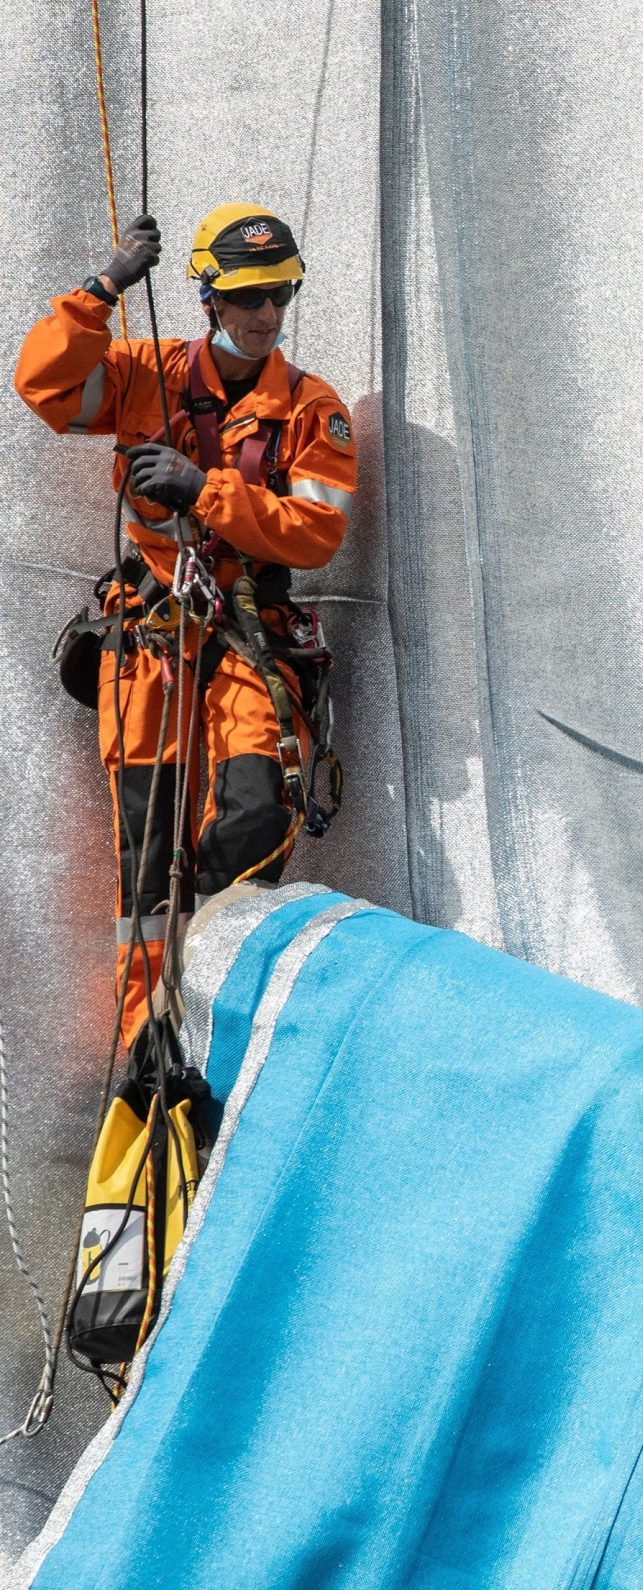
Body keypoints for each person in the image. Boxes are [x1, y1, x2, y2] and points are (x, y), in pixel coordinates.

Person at [16, 203, 356, 1045]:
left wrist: (205, 491)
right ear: (208, 297)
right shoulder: (143, 374)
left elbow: (315, 533)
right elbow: (46, 386)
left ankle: (209, 1001)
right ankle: (145, 1038)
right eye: (248, 297)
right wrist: (103, 289)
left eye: (279, 295)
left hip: (248, 640)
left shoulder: (312, 409)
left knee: (253, 813)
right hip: (153, 639)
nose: (266, 313)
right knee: (146, 845)